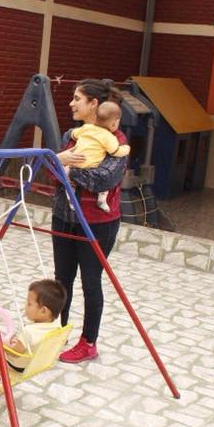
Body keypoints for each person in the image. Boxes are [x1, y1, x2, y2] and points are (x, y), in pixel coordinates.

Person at [53, 78, 129, 364]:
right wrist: (58, 159)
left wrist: (67, 167)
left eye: (77, 99)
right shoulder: (71, 136)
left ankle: (88, 342)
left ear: (93, 104)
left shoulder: (115, 140)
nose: (71, 104)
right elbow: (49, 171)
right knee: (62, 278)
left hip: (98, 222)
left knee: (90, 281)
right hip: (64, 216)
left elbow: (104, 179)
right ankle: (57, 332)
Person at [66, 101, 130, 212]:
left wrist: (80, 138)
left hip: (74, 162)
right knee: (104, 185)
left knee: (71, 181)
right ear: (115, 123)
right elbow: (115, 151)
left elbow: (73, 134)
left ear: (96, 117)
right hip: (91, 166)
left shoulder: (86, 128)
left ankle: (70, 194)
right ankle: (101, 199)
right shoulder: (109, 137)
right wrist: (126, 149)